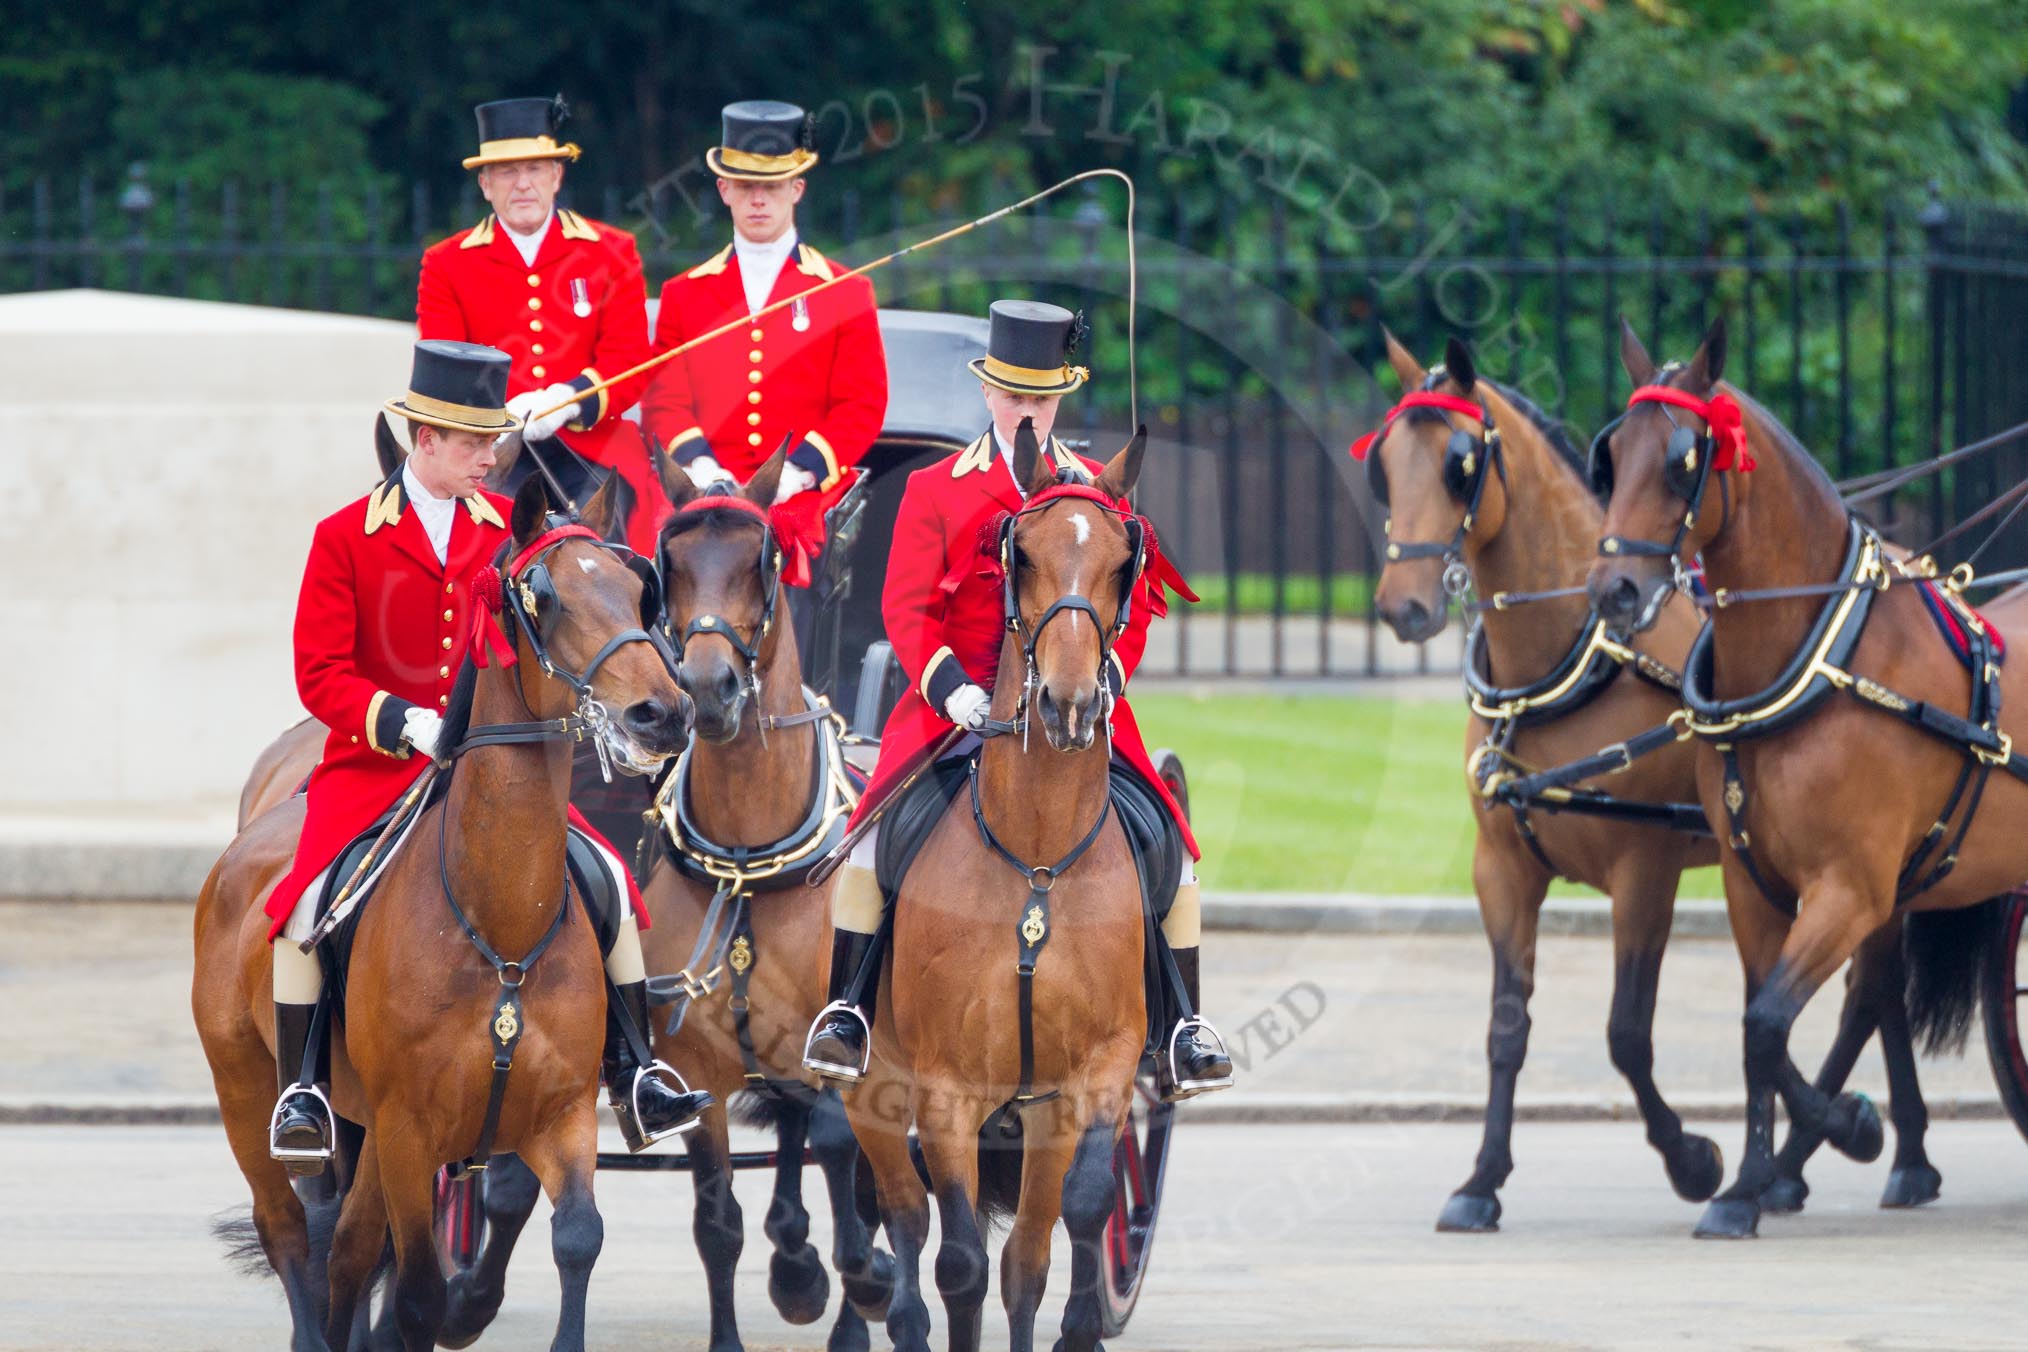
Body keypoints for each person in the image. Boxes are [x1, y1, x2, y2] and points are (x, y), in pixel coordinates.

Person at [263, 340, 710, 1172]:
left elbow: (568, 612)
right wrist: (405, 722)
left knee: (609, 883)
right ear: (422, 441)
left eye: (494, 443)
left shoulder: (512, 533)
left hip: (499, 771)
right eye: (473, 445)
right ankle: (303, 1090)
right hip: (381, 766)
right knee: (306, 904)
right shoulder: (344, 536)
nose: (490, 458)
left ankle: (638, 1071)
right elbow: (318, 674)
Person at [798, 300, 1232, 1102]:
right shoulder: (937, 487)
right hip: (957, 708)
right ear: (989, 394)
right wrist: (948, 688)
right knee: (870, 840)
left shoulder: (1097, 494)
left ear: (1059, 398)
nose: (1026, 408)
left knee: (1172, 845)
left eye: (1041, 395)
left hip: (1080, 704)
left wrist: (1108, 679)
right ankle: (849, 1011)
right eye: (1012, 393)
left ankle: (1180, 1026)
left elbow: (1129, 612)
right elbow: (907, 608)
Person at [416, 95, 664, 553]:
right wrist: (502, 414)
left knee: (601, 550)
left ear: (556, 176)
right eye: (508, 172)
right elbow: (444, 372)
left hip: (594, 447)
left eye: (534, 170)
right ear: (486, 184)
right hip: (488, 454)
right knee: (490, 544)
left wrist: (567, 400)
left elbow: (629, 361)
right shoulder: (447, 264)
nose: (523, 185)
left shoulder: (612, 253)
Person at [640, 99, 887, 504]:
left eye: (771, 186)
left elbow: (861, 405)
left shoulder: (845, 292)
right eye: (745, 186)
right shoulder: (684, 293)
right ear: (724, 190)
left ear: (796, 189)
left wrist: (796, 473)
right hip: (702, 493)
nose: (758, 200)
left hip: (799, 496)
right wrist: (701, 468)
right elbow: (663, 400)